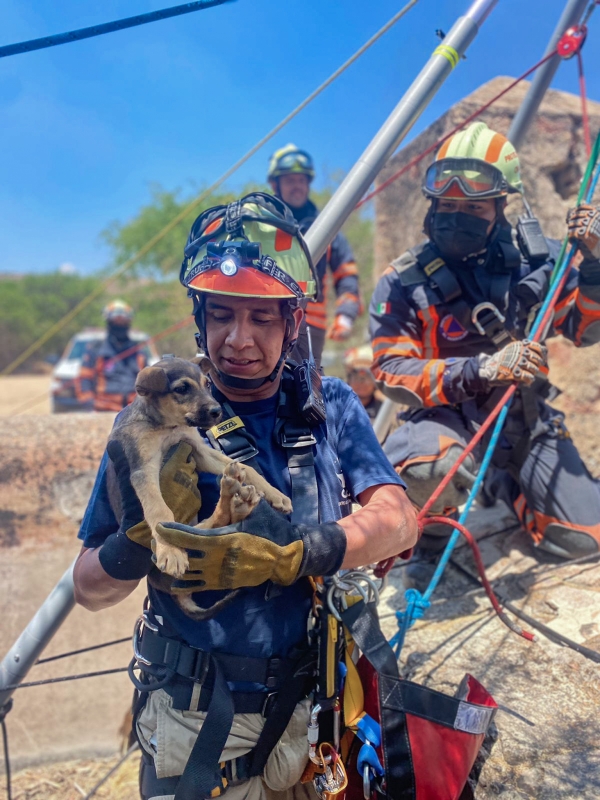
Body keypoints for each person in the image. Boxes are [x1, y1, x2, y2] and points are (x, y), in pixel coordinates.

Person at [73, 193, 418, 800]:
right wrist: (135, 549)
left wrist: (307, 552)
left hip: (312, 719)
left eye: (262, 318)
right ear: (199, 316)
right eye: (223, 314)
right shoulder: (148, 420)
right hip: (196, 725)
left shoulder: (328, 405)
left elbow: (399, 521)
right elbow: (88, 588)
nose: (239, 339)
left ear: (292, 321)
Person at [369, 121, 600, 588]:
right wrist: (481, 368)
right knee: (430, 469)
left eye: (473, 206)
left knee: (584, 539)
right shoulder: (403, 279)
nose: (457, 215)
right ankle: (430, 534)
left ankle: (504, 483)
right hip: (444, 418)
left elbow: (584, 329)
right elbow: (389, 371)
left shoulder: (539, 261)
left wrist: (595, 263)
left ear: (501, 206)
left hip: (523, 416)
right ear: (432, 204)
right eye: (448, 205)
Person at [267, 144, 363, 366]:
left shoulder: (327, 226)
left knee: (308, 388)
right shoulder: (263, 226)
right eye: (291, 180)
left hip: (310, 327)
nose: (298, 186)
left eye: (302, 180)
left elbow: (347, 275)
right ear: (275, 184)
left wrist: (346, 314)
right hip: (266, 317)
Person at [75, 300, 148, 412]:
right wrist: (90, 405)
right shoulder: (96, 350)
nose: (119, 325)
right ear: (108, 322)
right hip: (103, 410)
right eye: (115, 321)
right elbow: (84, 379)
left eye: (123, 322)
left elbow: (148, 383)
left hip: (134, 411)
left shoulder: (138, 352)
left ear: (128, 322)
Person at [343, 345, 384, 423]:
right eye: (356, 378)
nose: (361, 383)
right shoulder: (337, 407)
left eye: (367, 378)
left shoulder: (384, 411)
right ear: (349, 381)